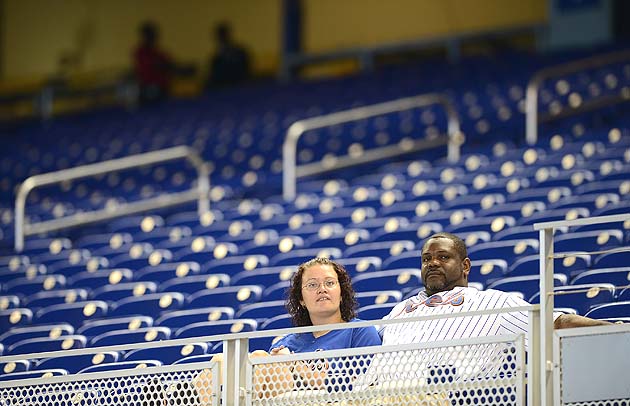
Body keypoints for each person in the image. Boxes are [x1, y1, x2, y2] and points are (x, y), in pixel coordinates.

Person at [193, 257, 381, 401]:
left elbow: (361, 386)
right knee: (221, 360)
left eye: (330, 283)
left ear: (341, 294)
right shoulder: (290, 340)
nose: (322, 289)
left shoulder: (360, 331)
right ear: (301, 300)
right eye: (312, 285)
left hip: (324, 400)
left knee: (258, 359)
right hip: (277, 398)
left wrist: (293, 364)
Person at [380, 232, 611, 347]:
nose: (433, 263)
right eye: (426, 259)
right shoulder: (401, 308)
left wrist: (619, 330)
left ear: (465, 266)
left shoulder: (490, 303)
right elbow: (361, 339)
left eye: (443, 257)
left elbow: (557, 322)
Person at [132, 21, 175, 104]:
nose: (154, 37)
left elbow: (170, 63)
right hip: (149, 89)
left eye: (154, 35)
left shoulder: (159, 52)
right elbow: (152, 67)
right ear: (144, 36)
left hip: (163, 88)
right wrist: (167, 66)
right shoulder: (140, 52)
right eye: (151, 34)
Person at [206, 22, 251, 89]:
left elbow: (247, 70)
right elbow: (214, 77)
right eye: (221, 36)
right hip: (224, 89)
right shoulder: (216, 59)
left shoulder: (240, 52)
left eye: (224, 35)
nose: (223, 38)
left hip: (241, 86)